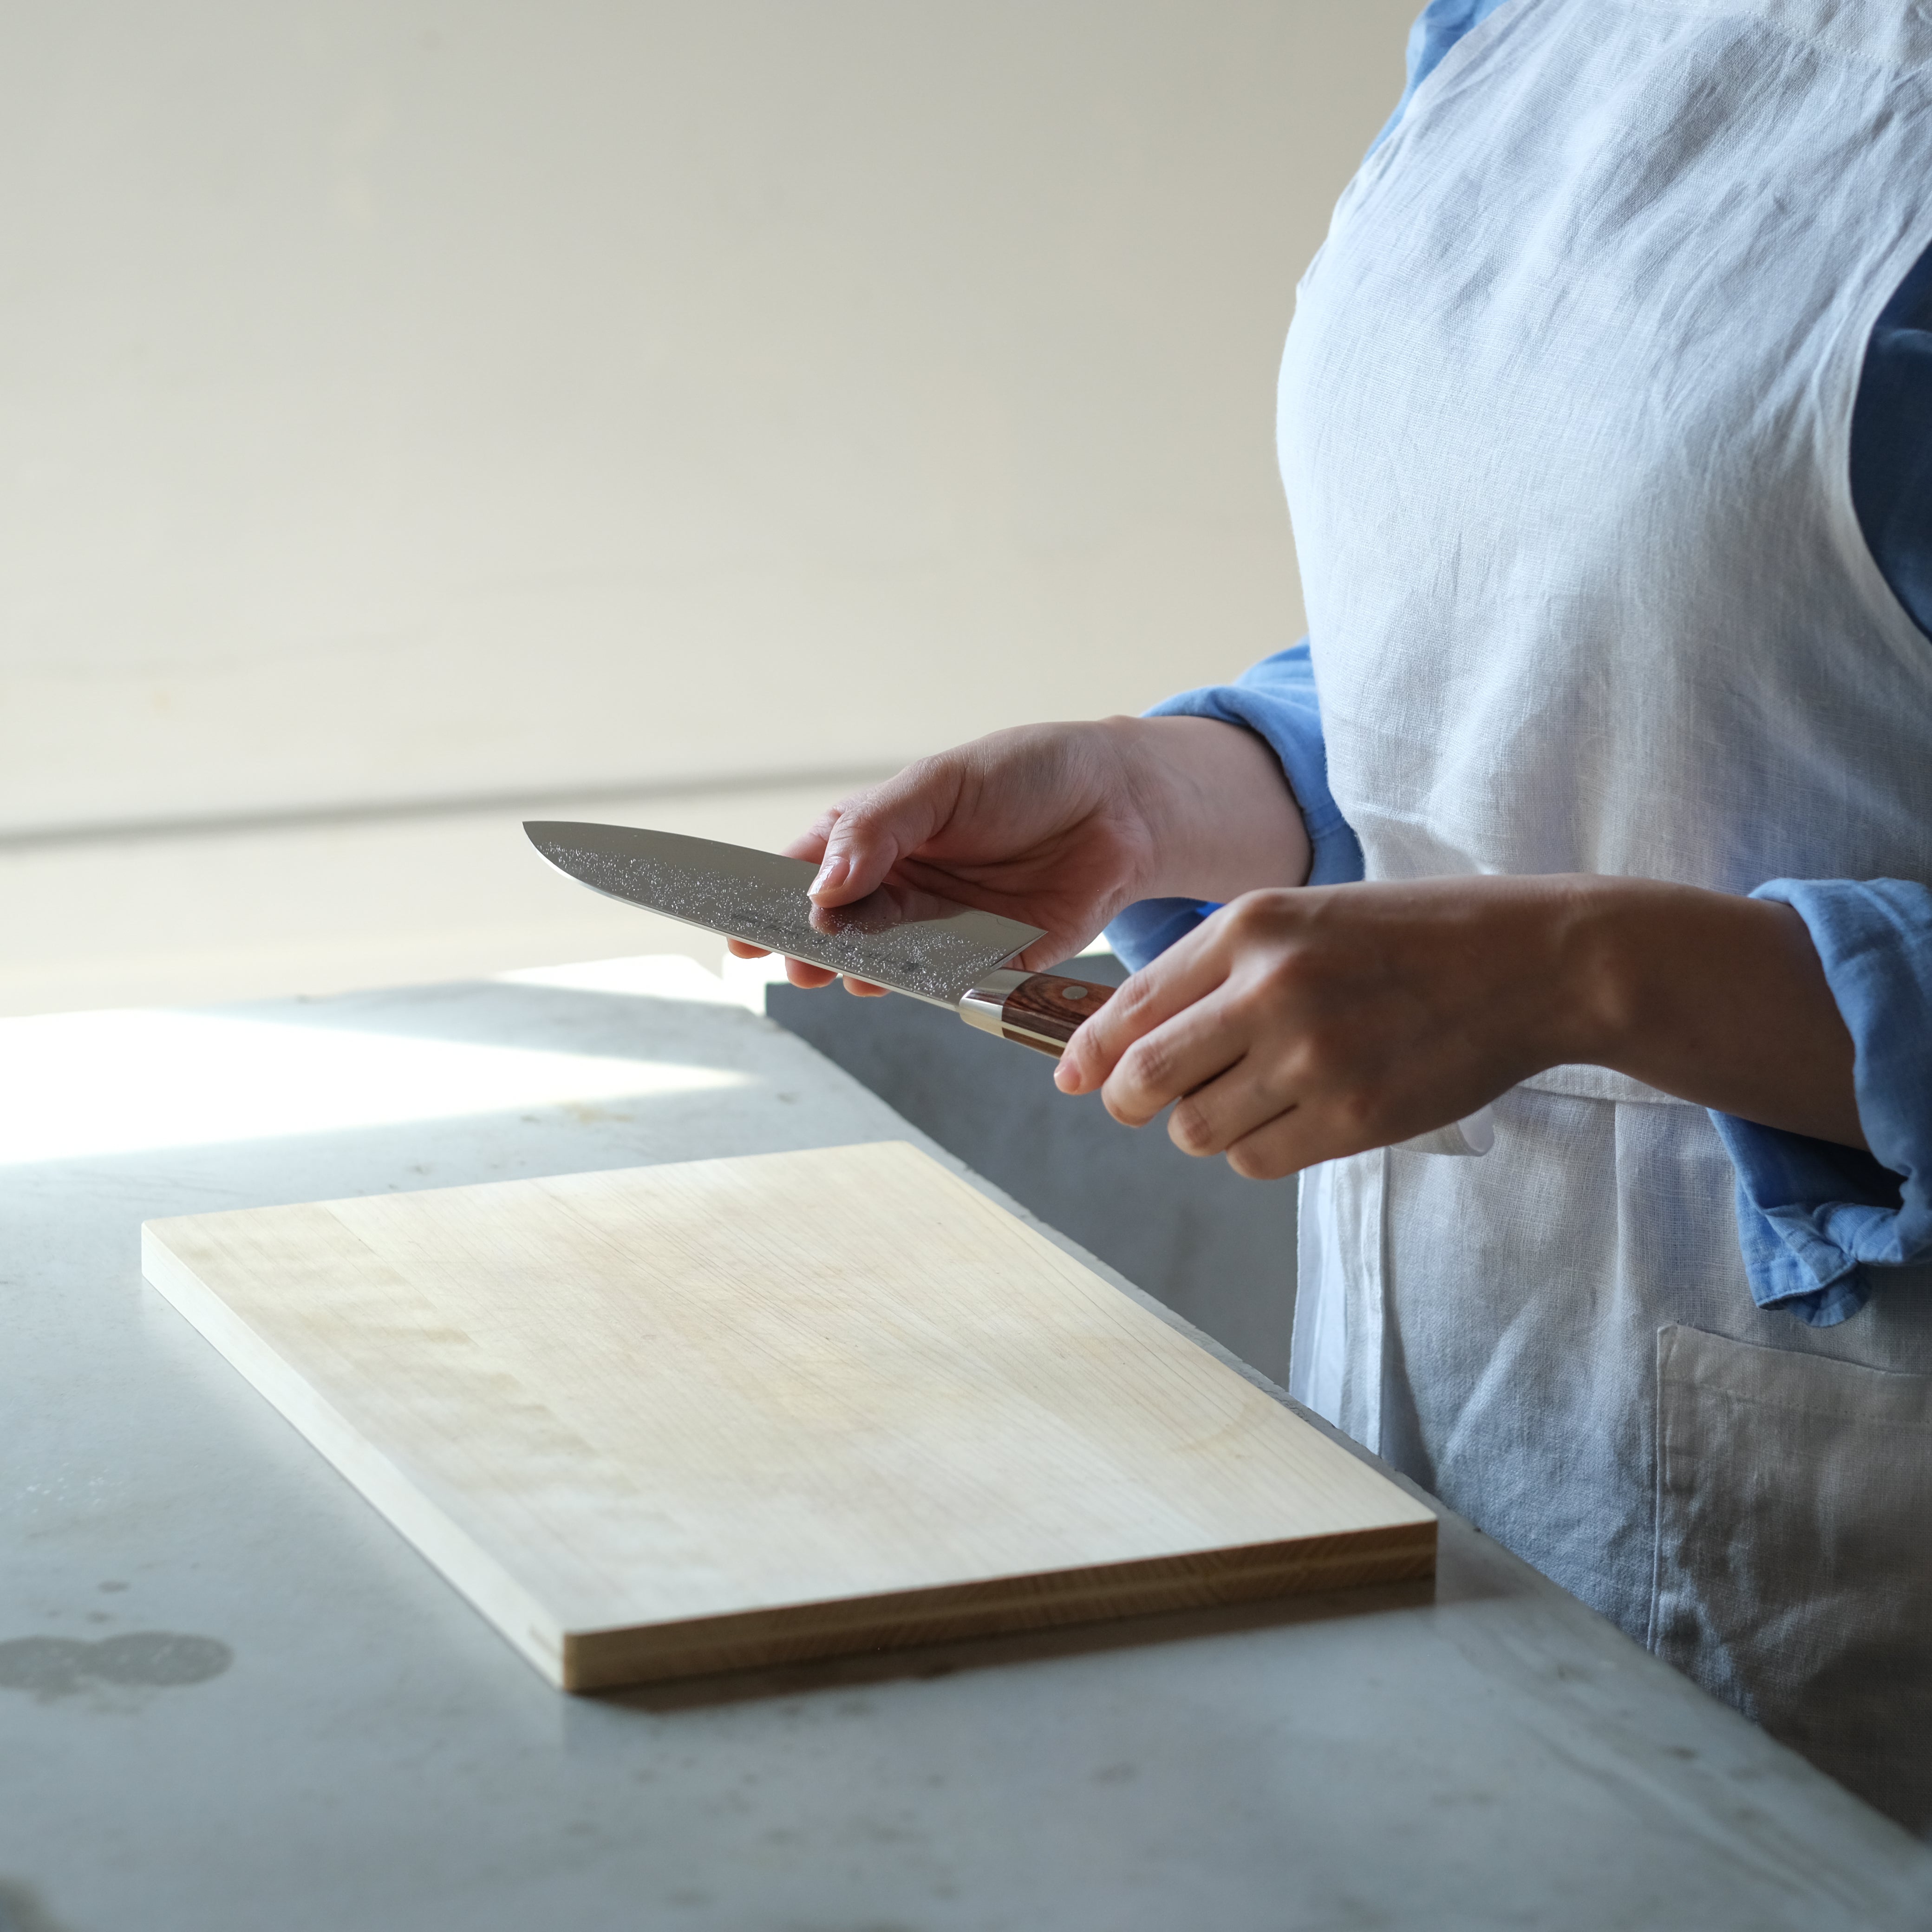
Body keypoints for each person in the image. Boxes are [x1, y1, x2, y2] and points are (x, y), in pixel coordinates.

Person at [736, 0, 1932, 1828]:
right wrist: (1168, 792)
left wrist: (1580, 970)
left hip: (1858, 1564)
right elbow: (1528, 620)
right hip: (1439, 1411)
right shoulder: (1508, 25)